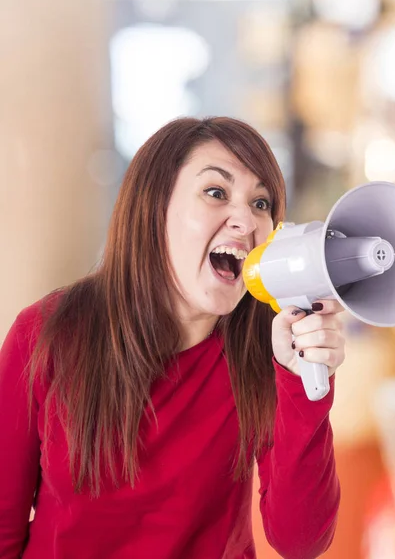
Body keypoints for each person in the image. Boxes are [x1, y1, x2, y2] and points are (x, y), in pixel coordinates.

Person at [0, 116, 345, 559]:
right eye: (216, 193)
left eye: (261, 203)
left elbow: (301, 541)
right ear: (154, 206)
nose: (245, 220)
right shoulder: (46, 334)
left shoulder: (269, 352)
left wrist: (306, 385)